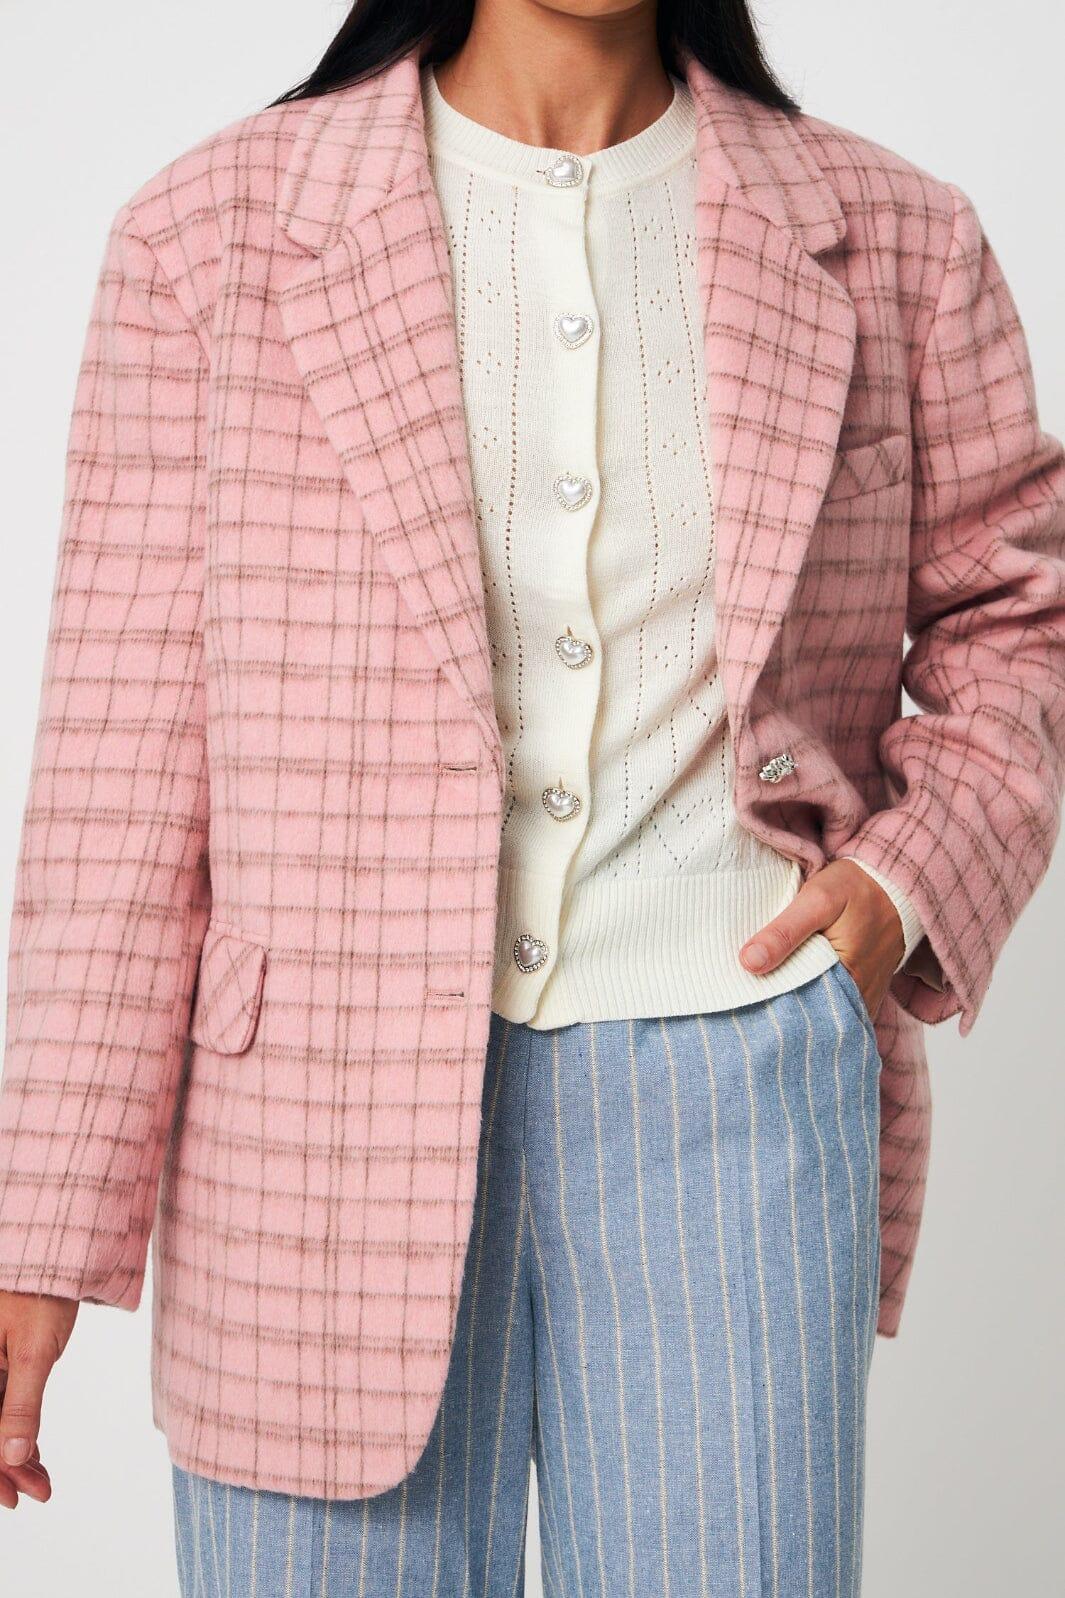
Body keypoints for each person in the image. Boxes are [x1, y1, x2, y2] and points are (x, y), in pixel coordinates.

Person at [0, 0, 1062, 1591]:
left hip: (736, 1090)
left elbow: (1021, 614)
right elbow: (122, 756)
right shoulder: (209, 234)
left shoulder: (898, 236)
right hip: (312, 1123)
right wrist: (37, 1229)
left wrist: (898, 886)